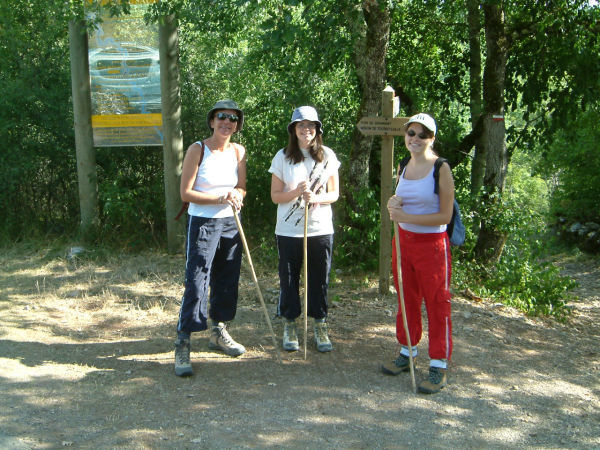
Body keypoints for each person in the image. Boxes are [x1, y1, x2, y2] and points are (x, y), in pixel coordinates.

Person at [381, 113, 455, 394]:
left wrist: (405, 214)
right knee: (406, 297)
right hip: (403, 242)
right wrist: (393, 205)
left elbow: (445, 216)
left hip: (432, 246)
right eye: (411, 133)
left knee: (437, 302)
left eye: (422, 134)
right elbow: (399, 204)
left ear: (431, 138)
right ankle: (407, 350)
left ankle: (438, 365)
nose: (415, 138)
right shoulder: (403, 165)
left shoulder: (441, 168)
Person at [174, 99, 247, 377]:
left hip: (230, 221)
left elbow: (241, 187)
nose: (227, 122)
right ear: (212, 121)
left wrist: (236, 196)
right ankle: (183, 340)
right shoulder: (197, 149)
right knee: (196, 280)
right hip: (203, 221)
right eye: (221, 117)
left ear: (237, 125)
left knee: (227, 278)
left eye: (232, 118)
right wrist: (220, 196)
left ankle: (218, 331)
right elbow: (186, 193)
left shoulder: (239, 152)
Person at [269, 106, 340, 353]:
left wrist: (318, 198)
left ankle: (320, 323)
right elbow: (276, 196)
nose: (306, 130)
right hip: (288, 230)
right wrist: (297, 193)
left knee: (319, 279)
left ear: (317, 129)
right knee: (289, 279)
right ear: (293, 129)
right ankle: (290, 323)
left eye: (311, 125)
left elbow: (335, 193)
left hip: (320, 229)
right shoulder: (283, 156)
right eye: (301, 125)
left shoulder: (328, 155)